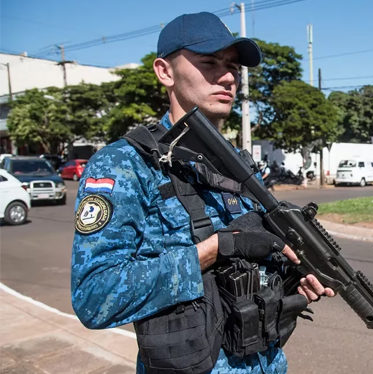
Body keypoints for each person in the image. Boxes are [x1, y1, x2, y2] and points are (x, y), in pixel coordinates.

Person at [70, 12, 334, 374]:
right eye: (209, 62)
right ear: (164, 71)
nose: (227, 77)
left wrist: (289, 280)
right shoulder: (125, 165)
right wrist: (215, 249)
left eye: (233, 67)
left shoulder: (241, 166)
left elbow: (245, 274)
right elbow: (95, 297)